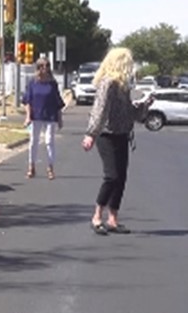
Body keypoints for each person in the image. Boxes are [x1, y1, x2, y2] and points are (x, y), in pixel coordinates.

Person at [82, 47, 151, 235]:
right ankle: (97, 216)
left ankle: (113, 219)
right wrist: (91, 133)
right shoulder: (108, 83)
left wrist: (145, 106)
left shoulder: (123, 86)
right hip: (106, 135)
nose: (131, 66)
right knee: (111, 176)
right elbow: (100, 109)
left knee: (121, 178)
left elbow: (130, 113)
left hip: (122, 134)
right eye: (128, 63)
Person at [22, 57, 65, 180]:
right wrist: (28, 116)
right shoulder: (32, 82)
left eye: (47, 66)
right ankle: (32, 167)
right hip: (36, 116)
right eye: (43, 66)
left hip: (50, 115)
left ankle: (50, 167)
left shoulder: (52, 83)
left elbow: (57, 101)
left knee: (49, 141)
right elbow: (27, 100)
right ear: (38, 67)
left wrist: (60, 118)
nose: (45, 68)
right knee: (33, 141)